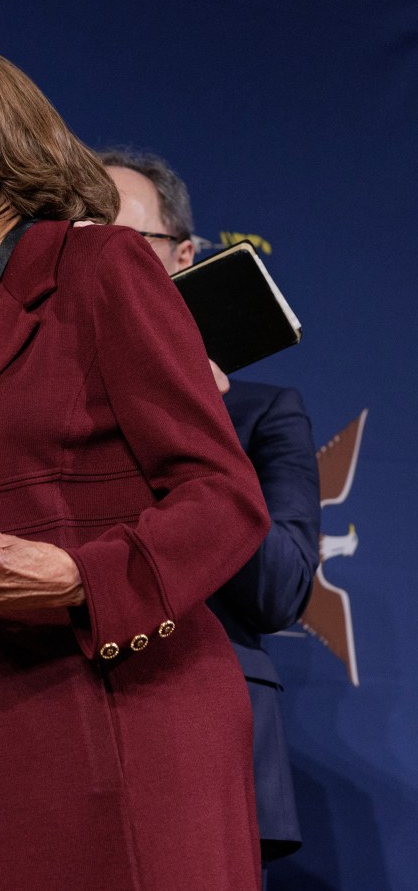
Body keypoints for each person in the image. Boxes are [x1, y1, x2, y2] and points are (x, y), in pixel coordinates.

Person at [0, 49, 271, 890]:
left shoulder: (102, 268)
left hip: (116, 697)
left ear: (14, 137)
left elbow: (224, 495)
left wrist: (84, 577)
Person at [101, 148, 321, 865]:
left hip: (210, 742)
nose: (107, 268)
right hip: (65, 726)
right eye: (84, 244)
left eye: (130, 246)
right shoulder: (47, 413)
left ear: (185, 255)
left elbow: (279, 593)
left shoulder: (261, 414)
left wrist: (194, 423)